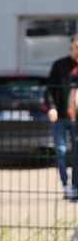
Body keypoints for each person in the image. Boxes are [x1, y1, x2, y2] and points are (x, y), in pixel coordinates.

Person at [45, 35, 78, 199]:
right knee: (61, 151)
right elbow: (50, 89)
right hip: (61, 117)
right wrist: (52, 108)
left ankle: (76, 186)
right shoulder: (60, 66)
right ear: (70, 47)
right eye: (76, 46)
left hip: (76, 119)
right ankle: (66, 185)